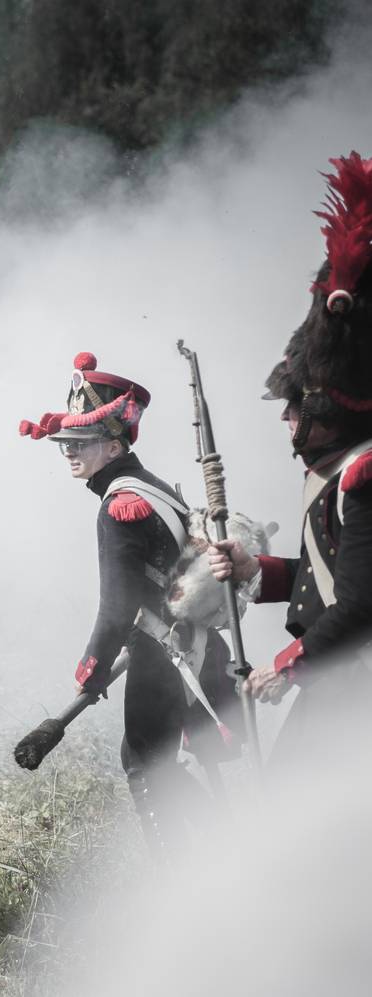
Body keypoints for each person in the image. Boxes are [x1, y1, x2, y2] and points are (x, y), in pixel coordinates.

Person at [20, 353, 238, 857]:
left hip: (165, 656)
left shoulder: (121, 506)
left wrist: (92, 667)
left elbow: (117, 604)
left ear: (114, 445)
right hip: (191, 647)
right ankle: (225, 853)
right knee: (158, 763)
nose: (70, 452)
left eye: (81, 442)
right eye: (66, 443)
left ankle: (177, 873)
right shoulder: (151, 488)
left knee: (144, 765)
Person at [208, 152, 372, 766]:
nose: (286, 420)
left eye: (294, 407)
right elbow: (328, 575)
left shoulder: (362, 475)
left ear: (326, 408)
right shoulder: (341, 472)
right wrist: (255, 569)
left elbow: (360, 604)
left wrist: (288, 665)